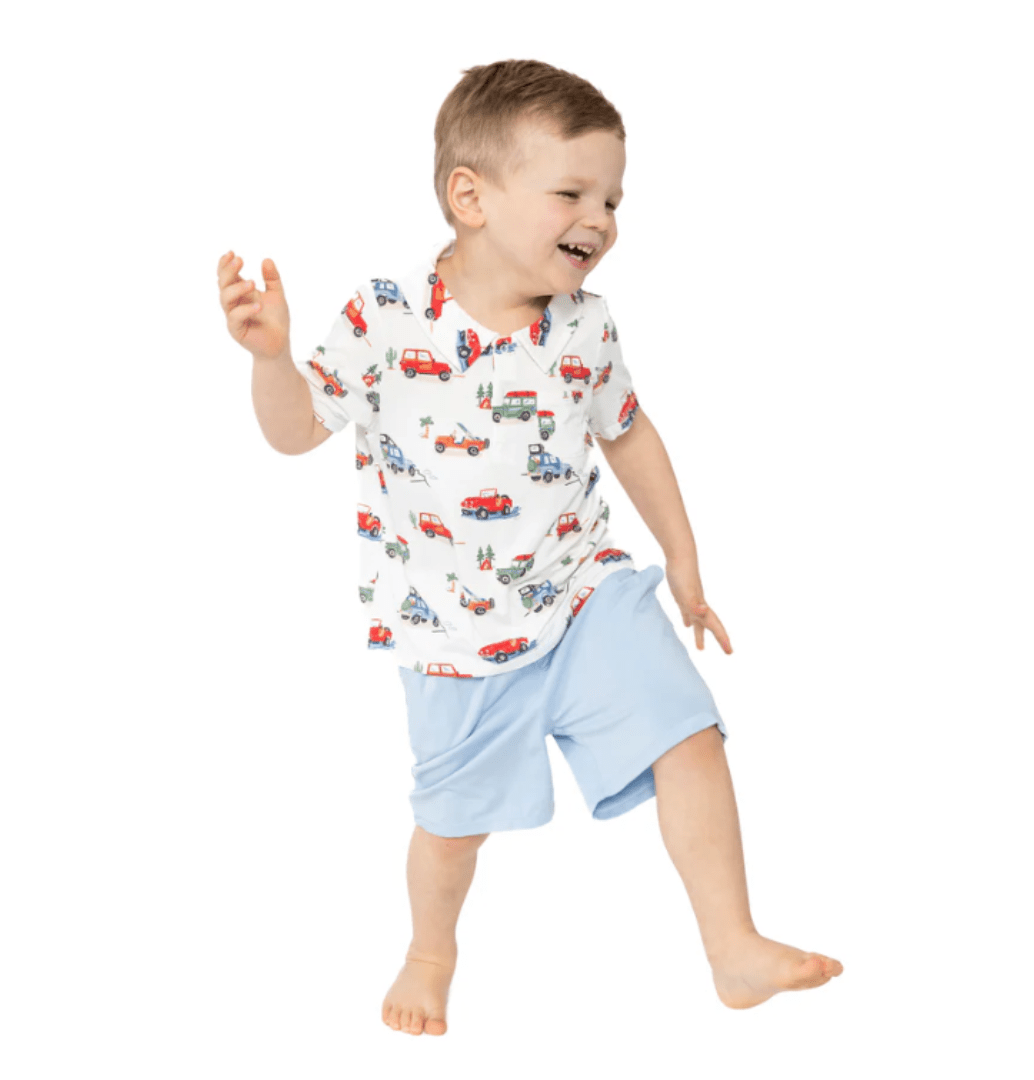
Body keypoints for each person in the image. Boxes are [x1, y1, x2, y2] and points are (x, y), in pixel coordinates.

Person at [217, 58, 843, 1036]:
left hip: (585, 590)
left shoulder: (585, 326)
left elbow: (628, 433)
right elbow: (297, 431)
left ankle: (732, 944)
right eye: (572, 193)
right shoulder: (386, 316)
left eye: (613, 199)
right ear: (471, 197)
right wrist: (269, 361)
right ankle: (431, 951)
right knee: (450, 826)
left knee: (688, 732)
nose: (601, 219)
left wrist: (681, 559)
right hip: (450, 632)